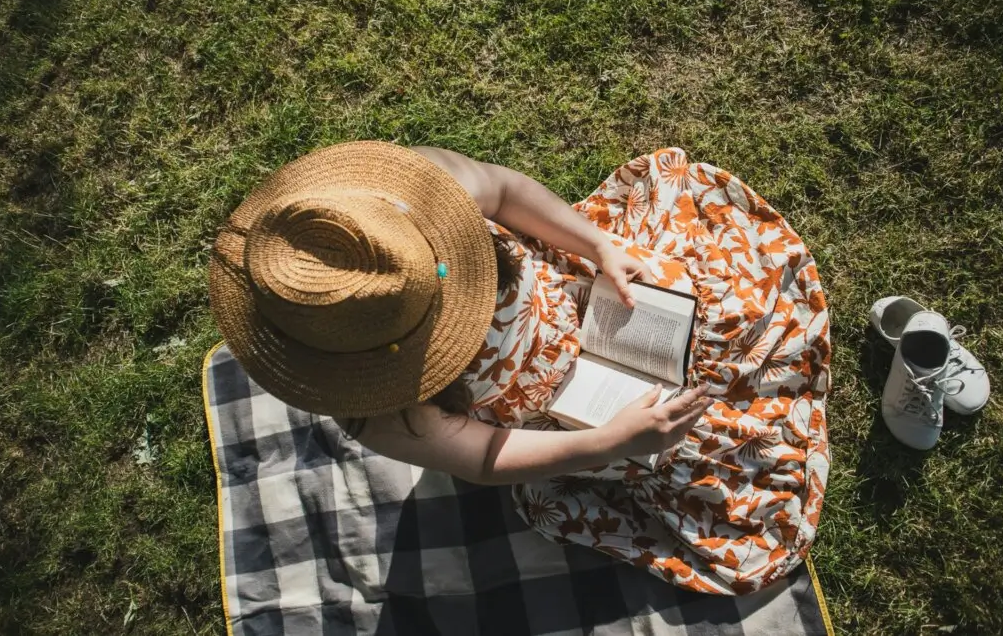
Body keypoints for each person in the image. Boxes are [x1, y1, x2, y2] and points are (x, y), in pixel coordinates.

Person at [209, 141, 831, 595]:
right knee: (704, 457)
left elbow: (503, 192)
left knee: (733, 309)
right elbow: (483, 458)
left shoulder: (406, 203)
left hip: (580, 295)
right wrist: (605, 444)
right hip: (556, 422)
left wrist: (599, 246)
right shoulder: (378, 413)